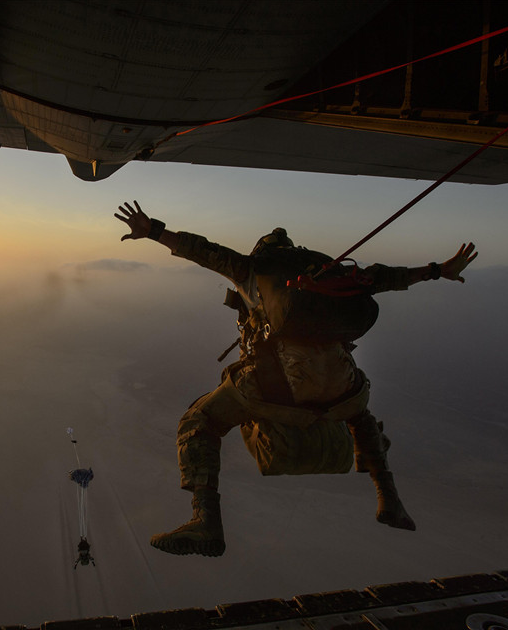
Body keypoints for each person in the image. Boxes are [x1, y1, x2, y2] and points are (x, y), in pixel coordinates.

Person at [114, 200, 478, 557]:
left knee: (199, 420)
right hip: (342, 381)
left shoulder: (251, 269)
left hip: (279, 382)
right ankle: (389, 498)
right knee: (360, 415)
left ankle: (205, 520)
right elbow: (383, 277)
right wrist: (437, 270)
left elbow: (203, 251)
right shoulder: (330, 274)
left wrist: (153, 231)